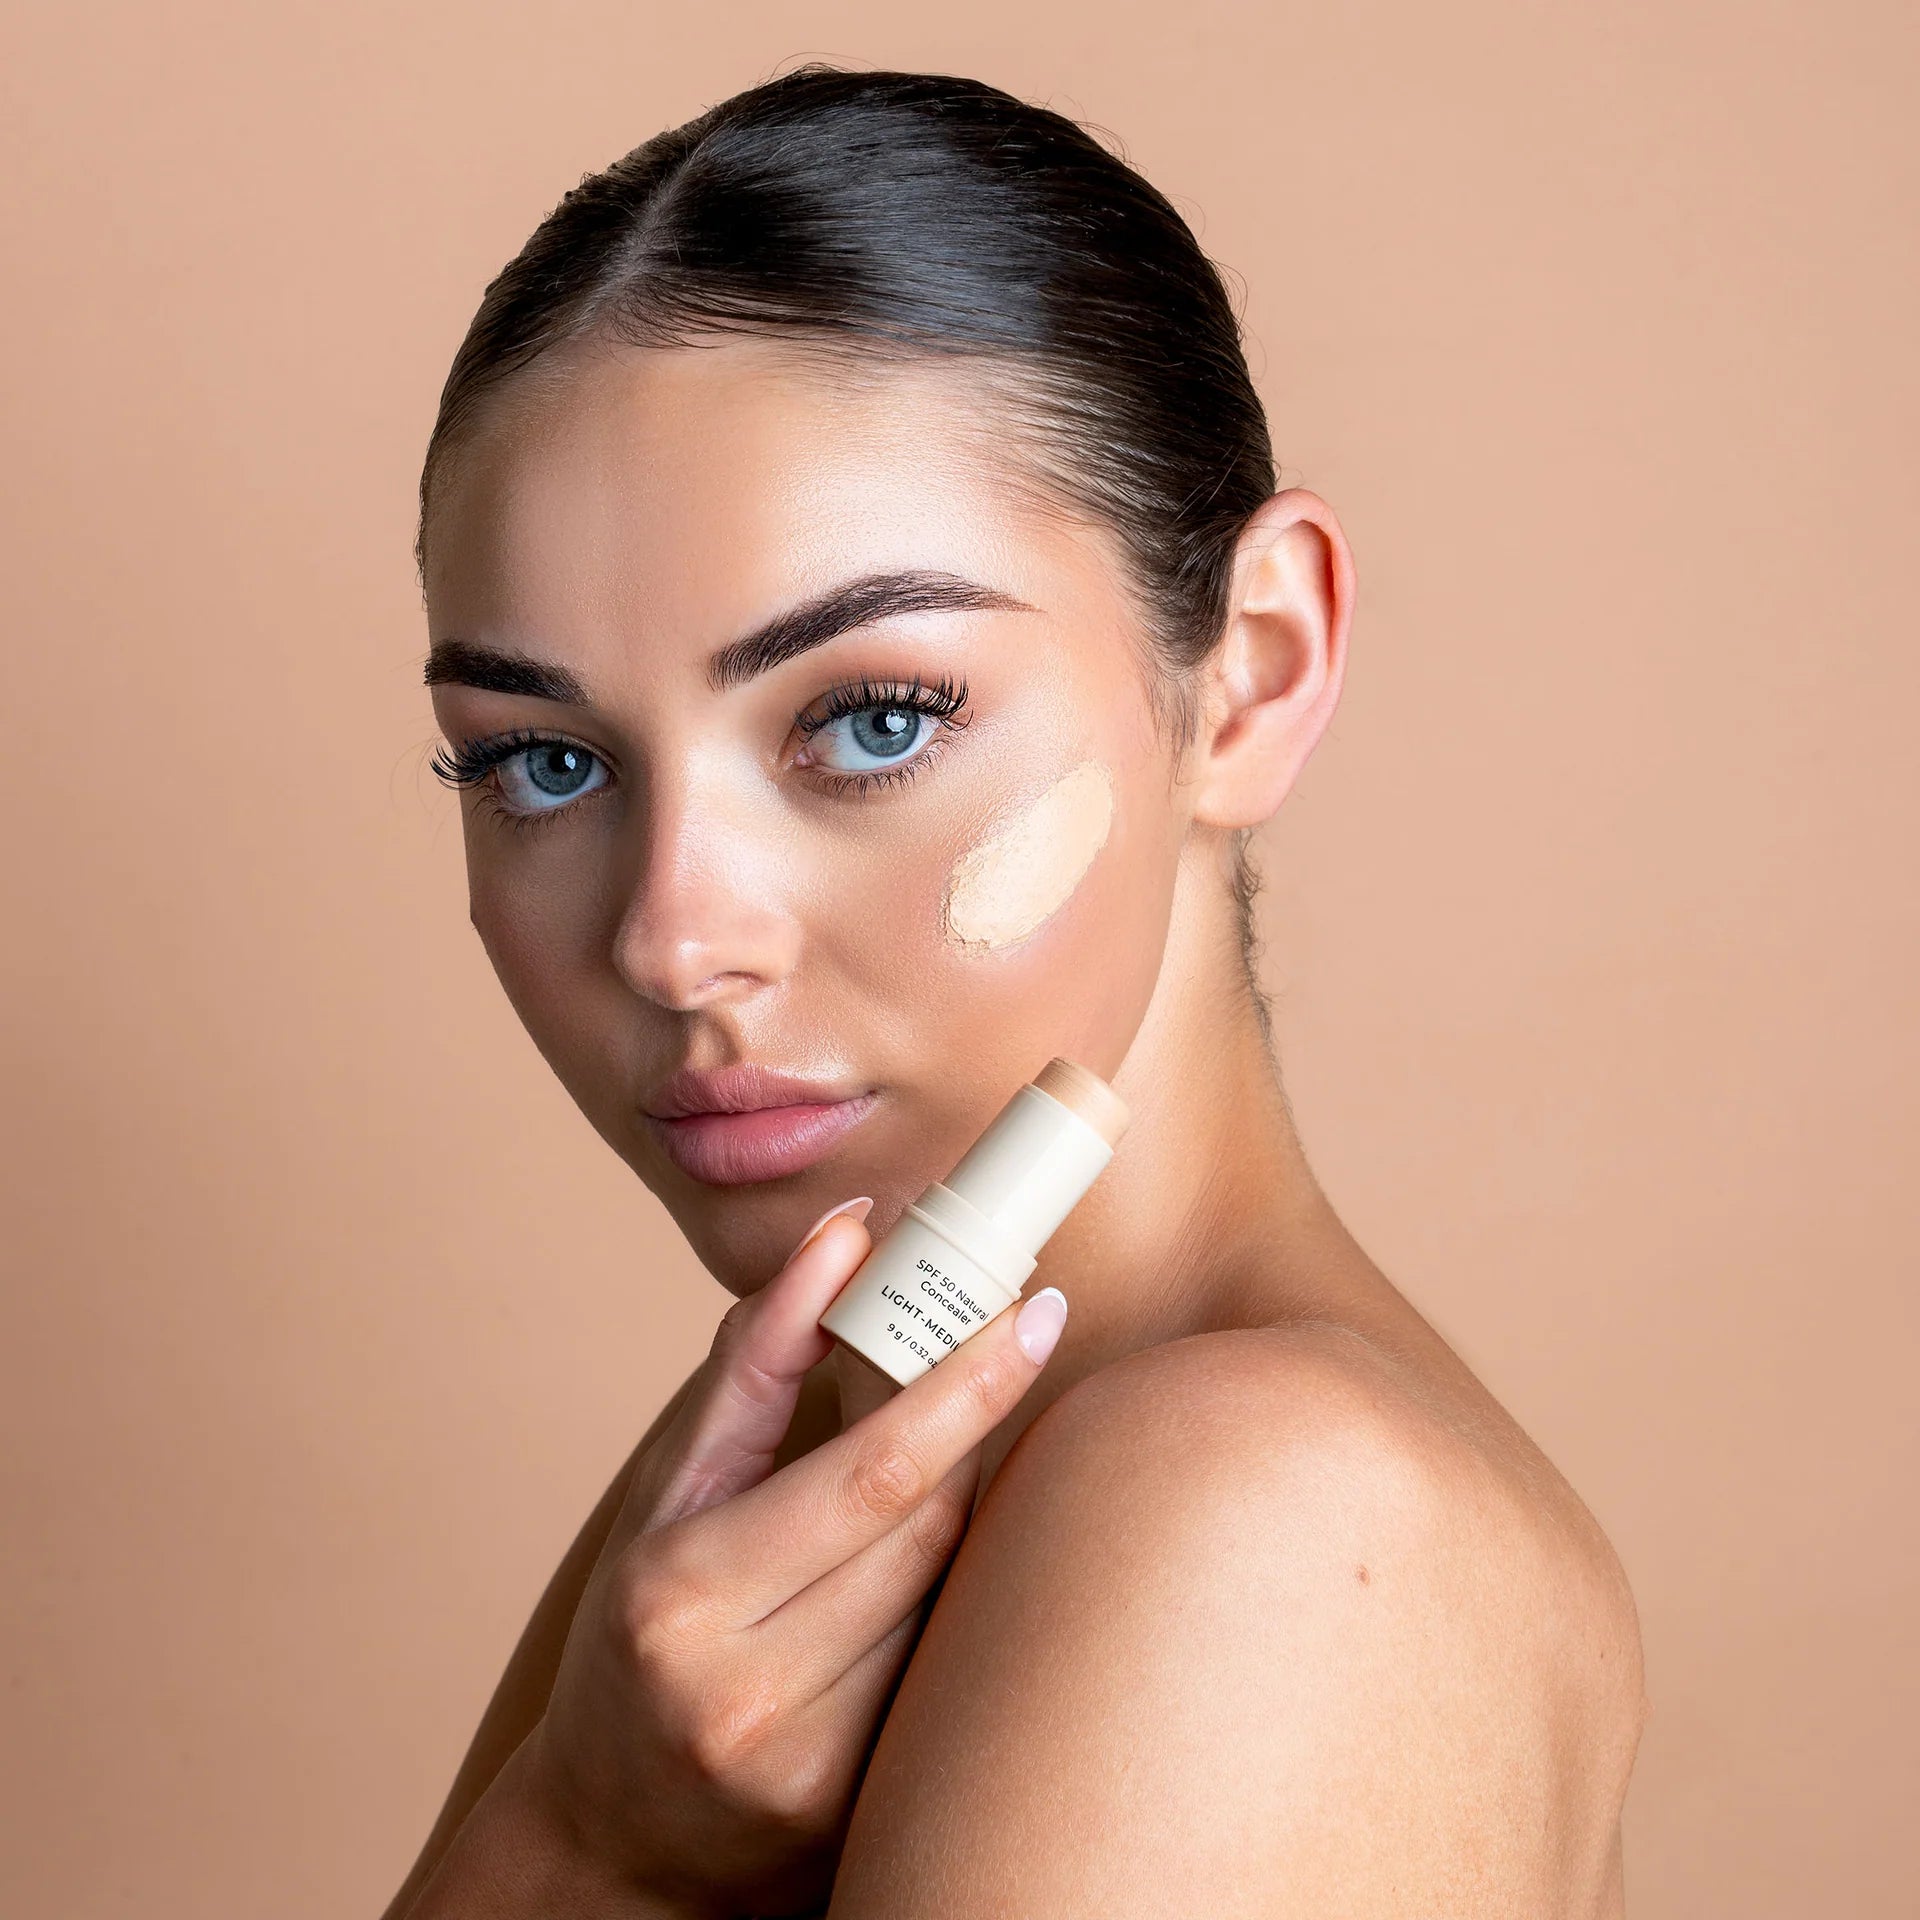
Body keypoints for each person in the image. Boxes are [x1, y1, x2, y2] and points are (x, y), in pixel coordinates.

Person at [381, 64, 1648, 1919]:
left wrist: (590, 1854)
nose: (673, 940)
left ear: (1252, 669)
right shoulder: (798, 1478)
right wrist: (582, 1830)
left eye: (874, 721)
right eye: (544, 763)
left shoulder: (1264, 1515)